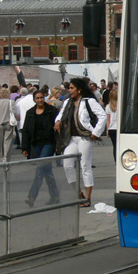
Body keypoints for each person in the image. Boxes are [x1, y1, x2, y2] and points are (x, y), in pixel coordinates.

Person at [56, 77, 107, 208]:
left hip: (85, 137)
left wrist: (96, 132)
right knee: (67, 164)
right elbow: (61, 114)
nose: (69, 90)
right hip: (72, 138)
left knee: (85, 166)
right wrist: (57, 121)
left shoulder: (88, 101)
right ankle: (79, 194)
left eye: (72, 88)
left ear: (79, 89)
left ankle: (88, 197)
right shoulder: (67, 102)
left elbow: (102, 115)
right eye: (69, 88)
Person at [22, 89, 61, 207]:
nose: (40, 100)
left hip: (48, 143)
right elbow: (26, 130)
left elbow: (59, 127)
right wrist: (25, 147)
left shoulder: (52, 110)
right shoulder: (30, 113)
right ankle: (55, 196)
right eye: (37, 98)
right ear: (34, 99)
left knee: (40, 169)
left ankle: (31, 196)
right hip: (36, 144)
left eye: (41, 97)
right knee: (46, 170)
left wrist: (59, 144)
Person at [0, 90, 16, 163]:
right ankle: (6, 157)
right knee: (7, 141)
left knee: (0, 142)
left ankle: (1, 157)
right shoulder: (11, 102)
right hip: (8, 123)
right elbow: (14, 112)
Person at [106, 84, 119, 163]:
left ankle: (116, 162)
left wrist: (107, 129)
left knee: (115, 146)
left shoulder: (108, 106)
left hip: (112, 128)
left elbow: (108, 120)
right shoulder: (120, 106)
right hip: (118, 127)